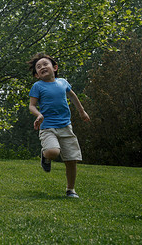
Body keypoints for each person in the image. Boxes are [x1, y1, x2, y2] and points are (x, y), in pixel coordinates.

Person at [28, 53, 90, 198]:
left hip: (66, 126)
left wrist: (82, 112)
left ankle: (70, 190)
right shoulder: (37, 86)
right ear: (37, 75)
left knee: (71, 159)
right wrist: (38, 115)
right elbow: (31, 106)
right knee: (53, 152)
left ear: (54, 67)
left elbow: (73, 96)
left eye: (45, 64)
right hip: (48, 127)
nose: (42, 67)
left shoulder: (63, 82)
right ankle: (45, 156)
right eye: (38, 67)